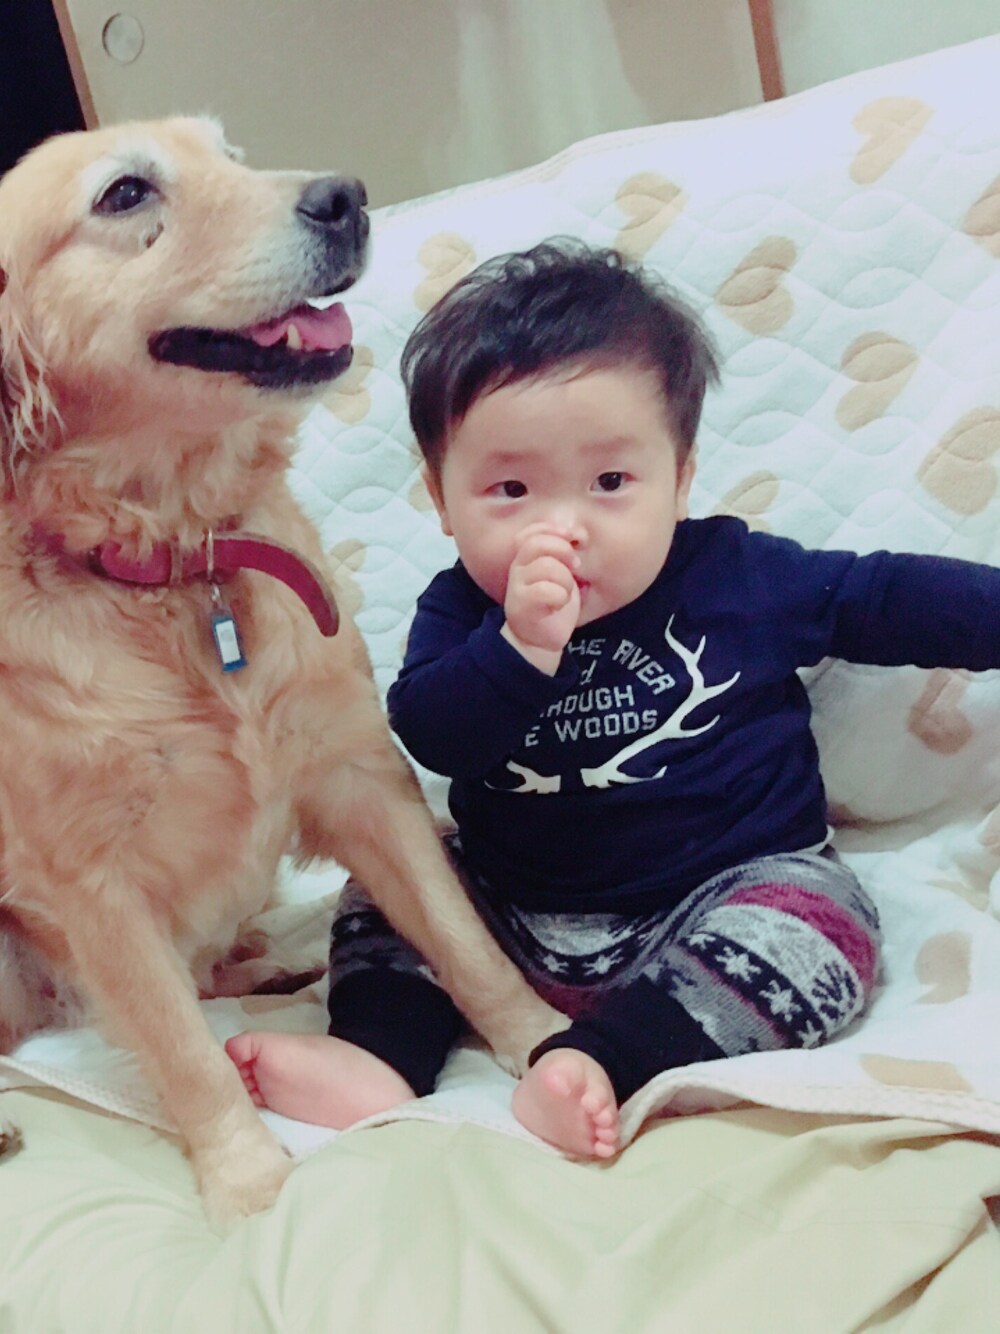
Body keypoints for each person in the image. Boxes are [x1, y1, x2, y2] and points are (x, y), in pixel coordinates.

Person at [228, 239, 1000, 1159]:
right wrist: (518, 650)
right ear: (440, 498)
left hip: (722, 895)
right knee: (392, 883)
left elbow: (887, 597)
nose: (565, 525)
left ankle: (607, 1062)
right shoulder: (461, 609)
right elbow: (434, 734)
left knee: (818, 924)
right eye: (511, 489)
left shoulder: (739, 575)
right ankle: (379, 1053)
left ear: (680, 476)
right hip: (511, 915)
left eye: (610, 483)